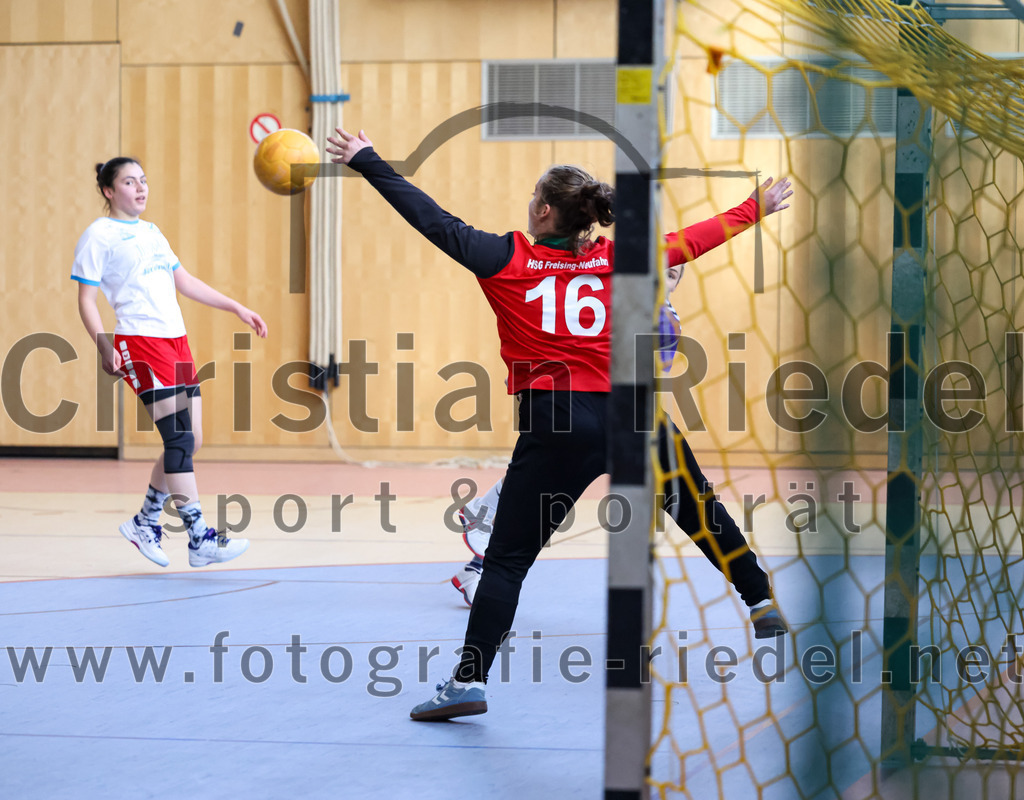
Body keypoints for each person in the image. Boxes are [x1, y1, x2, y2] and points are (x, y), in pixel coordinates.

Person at [327, 127, 788, 721]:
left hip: (559, 421)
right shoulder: (624, 256)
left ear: (544, 210)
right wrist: (756, 206)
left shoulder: (506, 258)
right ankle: (758, 600)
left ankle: (468, 682)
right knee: (701, 511)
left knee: (509, 560)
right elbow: (692, 241)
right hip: (634, 411)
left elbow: (431, 219)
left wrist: (367, 159)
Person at [450, 257, 788, 641]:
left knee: (693, 508)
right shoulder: (617, 293)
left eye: (674, 273)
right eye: (664, 269)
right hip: (590, 410)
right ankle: (482, 527)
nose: (667, 276)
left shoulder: (665, 316)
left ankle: (477, 547)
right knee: (529, 514)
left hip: (614, 416)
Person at [73, 157, 266, 568]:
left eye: (143, 180)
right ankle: (199, 536)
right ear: (109, 191)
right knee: (178, 439)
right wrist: (104, 345)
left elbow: (185, 281)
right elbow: (86, 299)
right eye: (129, 182)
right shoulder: (99, 235)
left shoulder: (152, 232)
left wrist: (237, 307)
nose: (140, 188)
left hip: (176, 341)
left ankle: (145, 522)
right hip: (141, 342)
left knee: (190, 439)